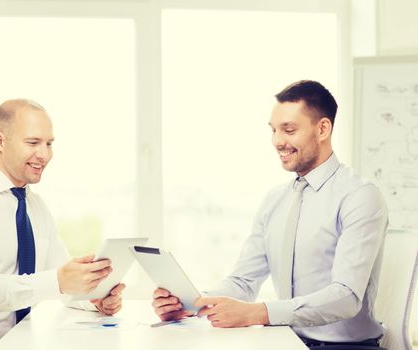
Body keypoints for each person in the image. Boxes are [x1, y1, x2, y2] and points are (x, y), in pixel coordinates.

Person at [152, 80, 388, 348]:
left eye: (289, 130)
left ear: (323, 128)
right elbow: (243, 281)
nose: (278, 141)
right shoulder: (275, 200)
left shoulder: (359, 196)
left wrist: (257, 313)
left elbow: (346, 297)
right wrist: (194, 303)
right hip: (286, 341)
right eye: (274, 130)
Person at [0, 99, 124, 350]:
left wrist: (92, 299)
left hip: (23, 344)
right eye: (33, 142)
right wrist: (58, 281)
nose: (45, 154)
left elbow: (58, 281)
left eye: (49, 144)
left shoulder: (36, 206)